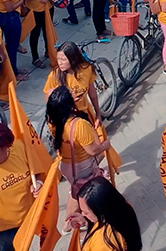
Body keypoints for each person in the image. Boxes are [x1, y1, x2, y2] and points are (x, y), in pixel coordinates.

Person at [46, 86, 111, 233]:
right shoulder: (79, 125)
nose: (74, 93)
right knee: (86, 195)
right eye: (71, 95)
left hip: (66, 165)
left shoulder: (52, 121)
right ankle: (84, 220)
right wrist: (105, 145)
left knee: (75, 191)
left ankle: (68, 224)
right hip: (82, 166)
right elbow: (93, 150)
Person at [0, 122, 43, 251]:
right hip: (6, 231)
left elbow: (38, 172)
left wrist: (39, 183)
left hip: (33, 219)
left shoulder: (20, 148)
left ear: (6, 146)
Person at [71, 176, 142, 251]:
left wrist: (81, 235)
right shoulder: (123, 209)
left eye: (86, 212)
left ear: (101, 211)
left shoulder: (102, 244)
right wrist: (86, 221)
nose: (83, 214)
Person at [43, 41, 102, 123]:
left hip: (85, 114)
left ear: (73, 59)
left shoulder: (86, 69)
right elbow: (49, 101)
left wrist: (98, 114)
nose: (59, 63)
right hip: (65, 120)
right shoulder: (54, 76)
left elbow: (92, 94)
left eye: (63, 60)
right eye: (58, 59)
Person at [0, 0, 26, 80]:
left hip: (4, 17)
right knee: (12, 45)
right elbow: (9, 7)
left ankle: (12, 68)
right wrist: (21, 1)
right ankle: (14, 73)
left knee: (11, 45)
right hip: (10, 17)